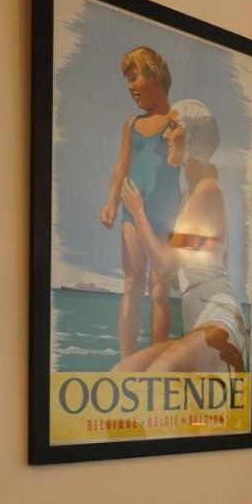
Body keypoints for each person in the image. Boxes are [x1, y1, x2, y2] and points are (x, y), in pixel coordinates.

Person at [112, 100, 248, 374]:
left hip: (219, 321)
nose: (165, 135)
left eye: (172, 127)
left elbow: (165, 267)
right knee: (123, 373)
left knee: (154, 378)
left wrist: (138, 212)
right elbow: (175, 274)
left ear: (193, 138)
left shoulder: (207, 190)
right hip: (197, 326)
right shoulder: (188, 198)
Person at [100, 46, 179, 357]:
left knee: (160, 287)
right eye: (127, 81)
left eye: (134, 78)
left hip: (166, 213)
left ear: (154, 76)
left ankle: (157, 360)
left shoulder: (176, 120)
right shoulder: (131, 124)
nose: (130, 86)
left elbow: (182, 159)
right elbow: (121, 165)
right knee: (132, 285)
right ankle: (126, 362)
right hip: (132, 210)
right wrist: (111, 203)